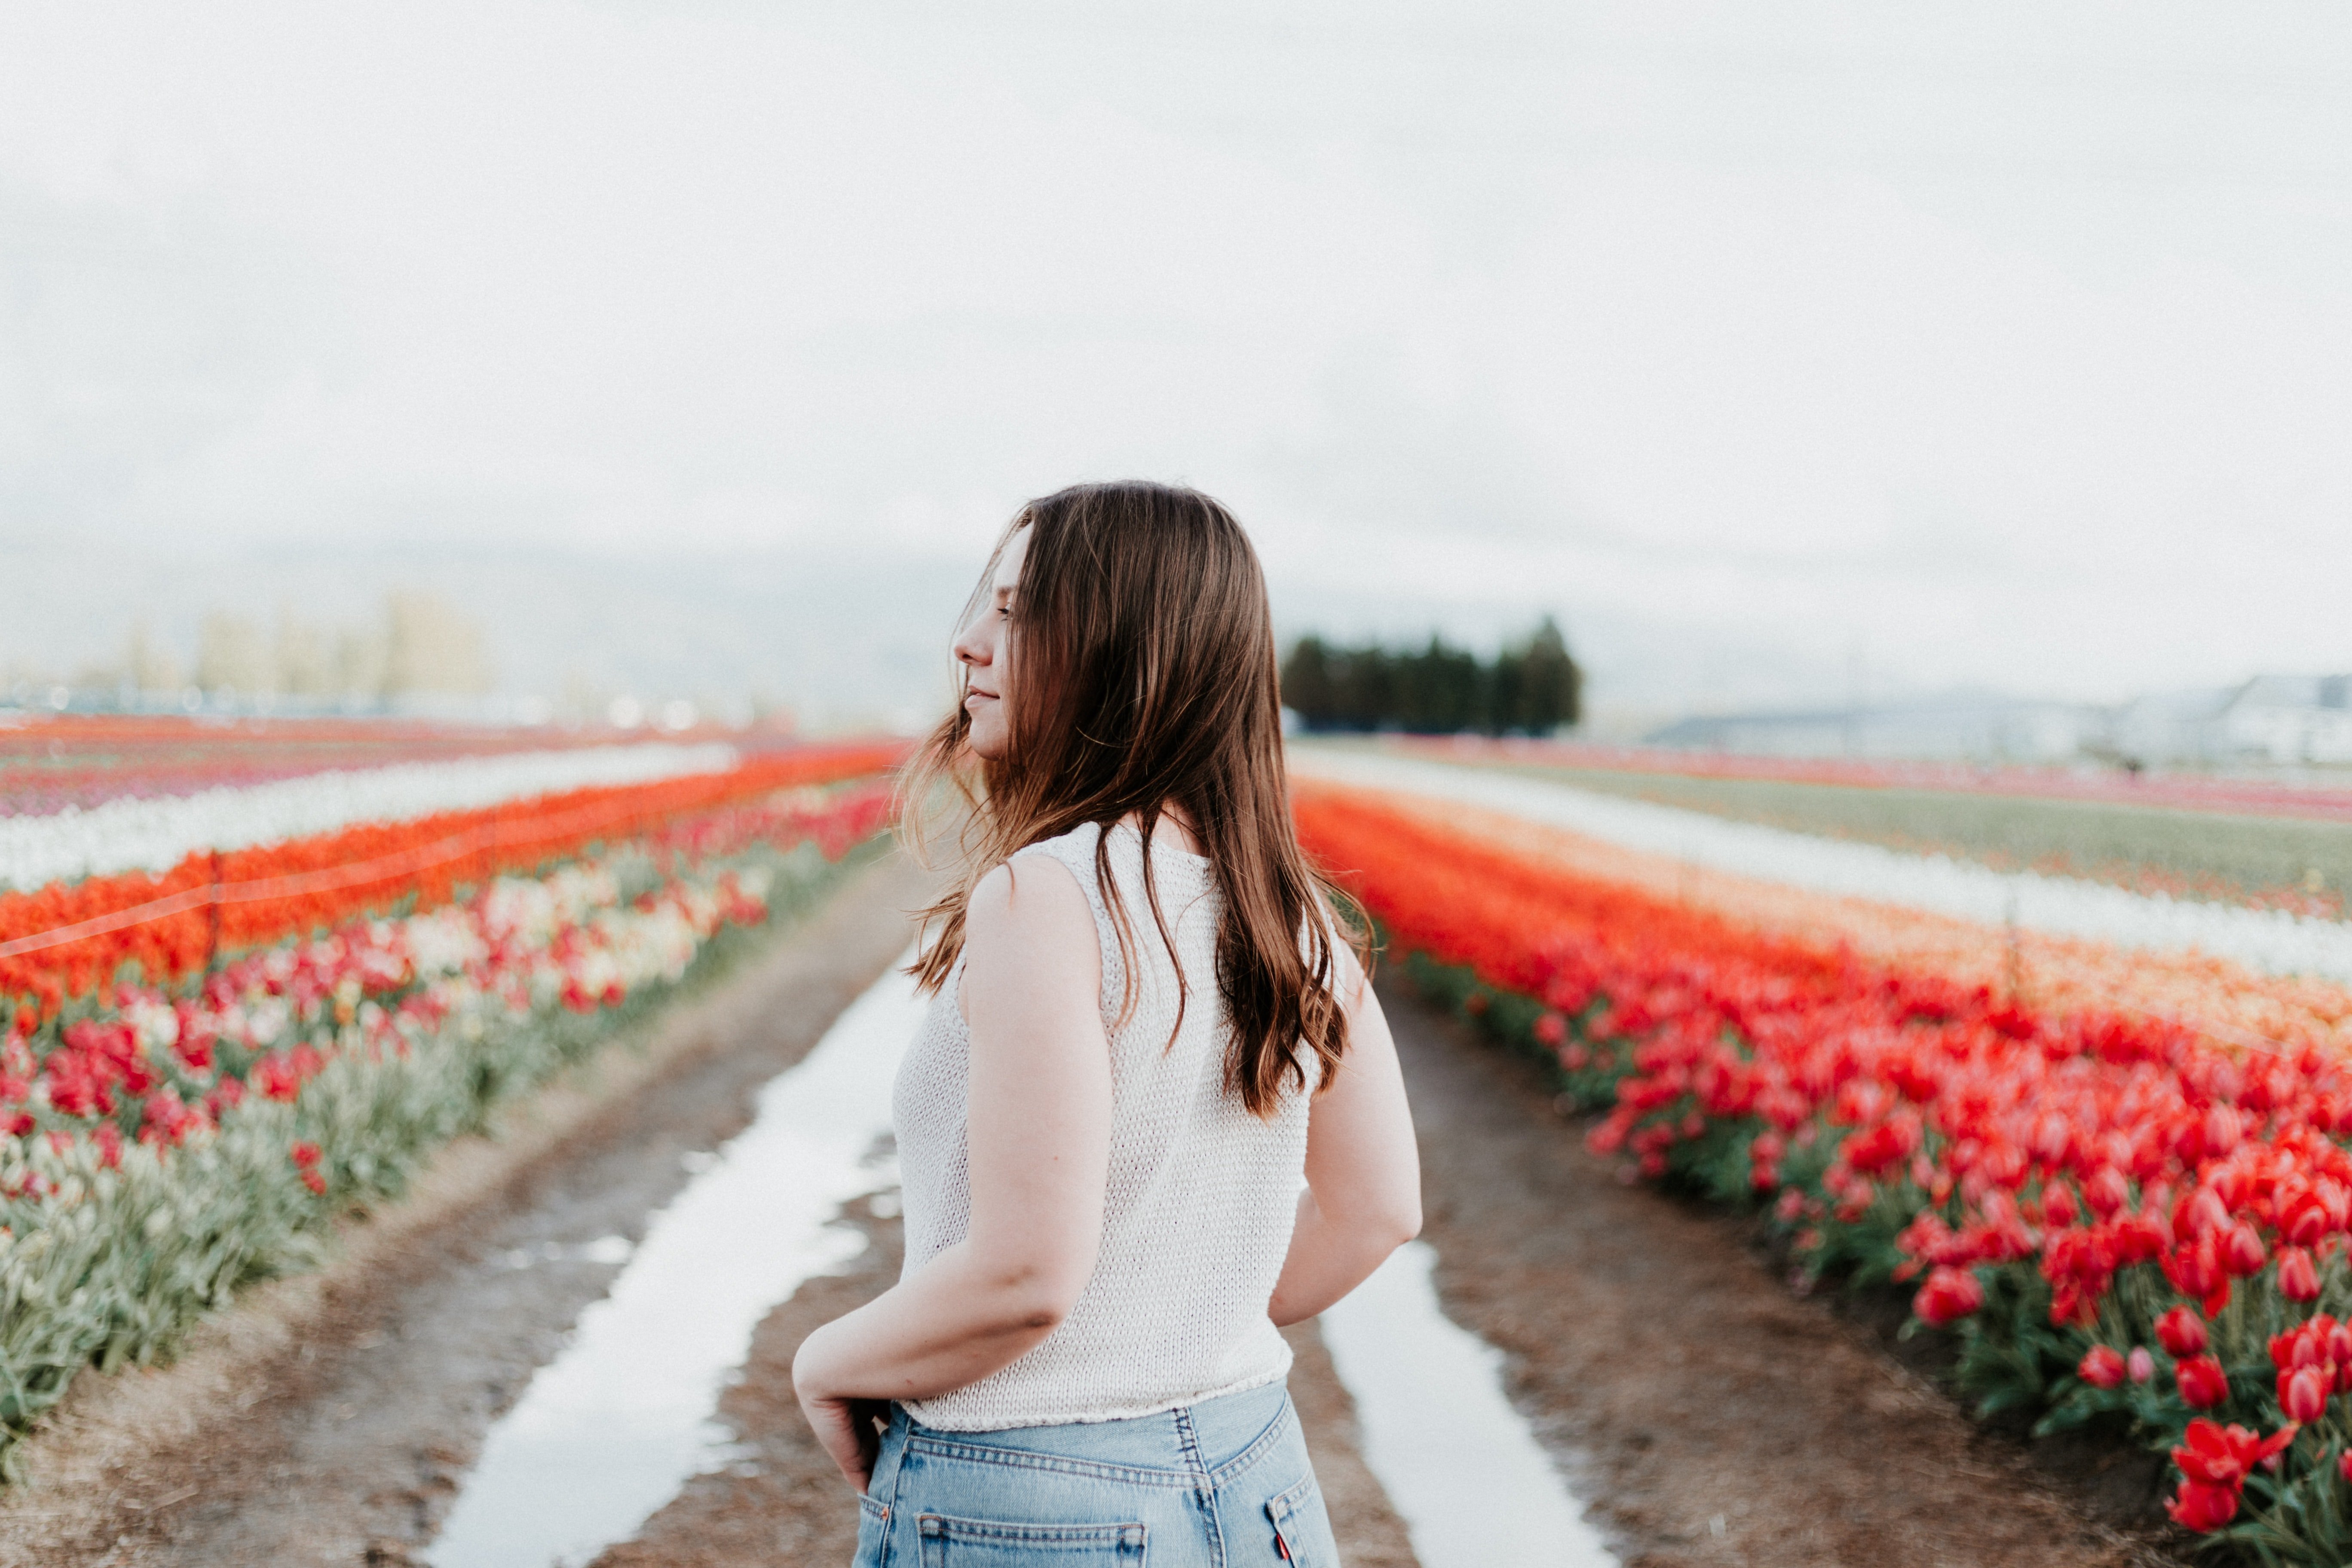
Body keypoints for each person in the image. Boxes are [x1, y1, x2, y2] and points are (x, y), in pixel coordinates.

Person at [793, 481, 1422, 1567]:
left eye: (1017, 612)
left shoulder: (1048, 898)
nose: (969, 644)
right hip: (1259, 1483)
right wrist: (1176, 1319)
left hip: (1034, 1499)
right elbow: (1380, 1210)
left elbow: (1026, 1277)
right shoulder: (1285, 903)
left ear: (1123, 650)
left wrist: (824, 1361)